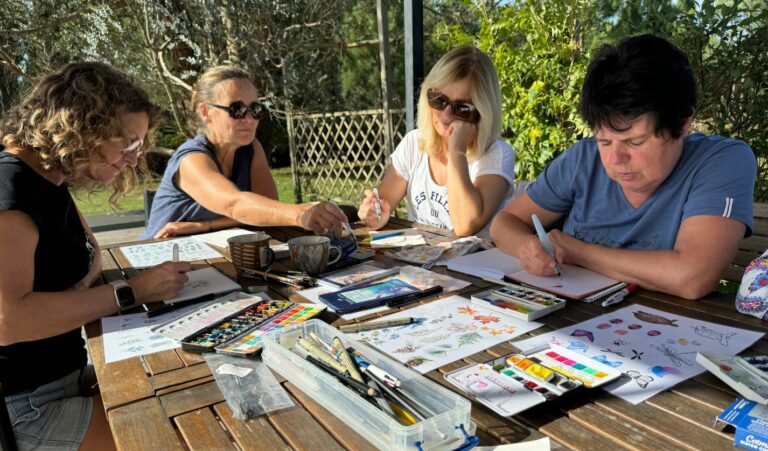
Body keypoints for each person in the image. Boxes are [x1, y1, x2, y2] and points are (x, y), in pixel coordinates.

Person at [0, 62, 191, 451]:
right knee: (190, 428)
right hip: (22, 413)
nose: (133, 159)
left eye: (139, 147)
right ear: (83, 124)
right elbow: (7, 320)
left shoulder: (47, 178)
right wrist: (131, 291)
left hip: (58, 379)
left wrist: (82, 290)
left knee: (190, 375)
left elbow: (92, 256)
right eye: (128, 143)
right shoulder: (11, 188)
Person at [490, 34, 756, 300]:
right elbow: (504, 223)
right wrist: (527, 246)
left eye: (635, 142)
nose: (615, 159)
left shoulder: (721, 161)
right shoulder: (583, 159)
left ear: (684, 123)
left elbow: (693, 277)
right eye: (604, 141)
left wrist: (578, 251)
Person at [141, 66, 347, 239]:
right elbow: (235, 204)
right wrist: (302, 213)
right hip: (157, 258)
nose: (249, 119)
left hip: (211, 255)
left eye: (255, 109)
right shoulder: (191, 160)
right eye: (236, 109)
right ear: (206, 112)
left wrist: (204, 226)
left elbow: (268, 210)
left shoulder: (250, 149)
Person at [357, 45, 516, 238]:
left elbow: (465, 225)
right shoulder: (414, 143)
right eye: (438, 99)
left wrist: (457, 150)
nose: (446, 114)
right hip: (421, 262)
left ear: (482, 112)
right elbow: (382, 205)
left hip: (473, 265)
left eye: (461, 107)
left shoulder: (496, 154)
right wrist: (375, 214)